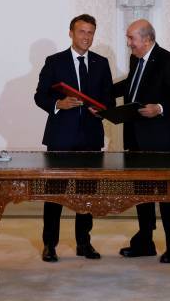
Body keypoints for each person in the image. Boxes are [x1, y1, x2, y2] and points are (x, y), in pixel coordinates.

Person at [34, 14, 115, 262]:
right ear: (71, 33)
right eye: (82, 32)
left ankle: (84, 243)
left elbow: (109, 100)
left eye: (90, 32)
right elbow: (40, 96)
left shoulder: (101, 63)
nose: (86, 37)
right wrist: (59, 103)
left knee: (86, 195)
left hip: (90, 138)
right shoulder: (54, 62)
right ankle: (50, 245)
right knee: (54, 195)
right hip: (60, 138)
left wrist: (101, 110)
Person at [113, 19, 170, 263]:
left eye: (131, 38)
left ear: (146, 39)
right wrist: (100, 92)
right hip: (135, 137)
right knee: (141, 194)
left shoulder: (169, 60)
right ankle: (145, 242)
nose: (129, 44)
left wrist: (160, 107)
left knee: (167, 196)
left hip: (163, 140)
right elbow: (129, 86)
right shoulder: (136, 60)